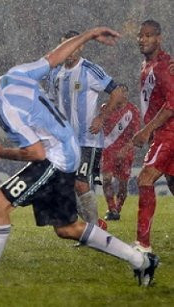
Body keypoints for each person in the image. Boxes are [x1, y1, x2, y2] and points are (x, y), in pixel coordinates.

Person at [0, 27, 159, 292]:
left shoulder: (6, 108)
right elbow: (54, 57)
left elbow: (36, 153)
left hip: (56, 157)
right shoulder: (16, 74)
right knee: (67, 228)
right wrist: (89, 34)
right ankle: (141, 260)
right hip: (66, 148)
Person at [47, 30, 124, 229]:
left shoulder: (90, 70)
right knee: (63, 185)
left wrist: (101, 117)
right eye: (65, 47)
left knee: (80, 182)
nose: (69, 51)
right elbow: (51, 105)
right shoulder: (55, 73)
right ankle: (95, 224)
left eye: (73, 46)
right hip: (64, 140)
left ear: (81, 46)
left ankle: (93, 232)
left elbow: (117, 92)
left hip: (87, 139)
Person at [132, 20, 174, 252]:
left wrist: (147, 130)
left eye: (148, 36)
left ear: (159, 38)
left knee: (145, 179)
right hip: (161, 132)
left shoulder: (164, 65)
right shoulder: (146, 65)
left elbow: (172, 104)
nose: (143, 39)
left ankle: (143, 245)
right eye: (140, 35)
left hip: (169, 132)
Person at [101, 84, 140, 221]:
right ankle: (111, 208)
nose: (120, 95)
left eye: (123, 92)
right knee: (106, 180)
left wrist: (125, 149)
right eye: (117, 92)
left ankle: (118, 208)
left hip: (125, 151)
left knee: (122, 185)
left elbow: (135, 135)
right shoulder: (106, 108)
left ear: (126, 95)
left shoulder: (133, 111)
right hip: (108, 150)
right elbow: (100, 130)